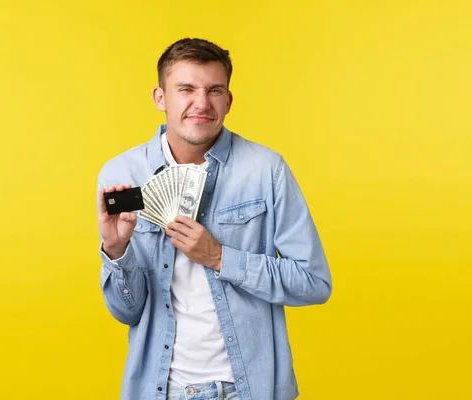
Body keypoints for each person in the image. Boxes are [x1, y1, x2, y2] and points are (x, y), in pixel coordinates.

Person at [97, 38, 332, 400]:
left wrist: (220, 257)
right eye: (186, 89)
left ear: (228, 100)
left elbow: (314, 282)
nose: (201, 103)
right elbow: (127, 313)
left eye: (214, 90)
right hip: (161, 390)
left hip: (249, 388)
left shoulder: (267, 170)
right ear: (161, 98)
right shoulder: (122, 173)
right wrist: (116, 250)